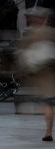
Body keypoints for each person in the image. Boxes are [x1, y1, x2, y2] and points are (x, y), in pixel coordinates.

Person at [17, 7, 55, 142]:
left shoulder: (30, 34)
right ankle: (48, 131)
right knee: (49, 103)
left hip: (42, 75)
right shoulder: (51, 32)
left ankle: (48, 132)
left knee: (47, 104)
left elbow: (22, 53)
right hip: (51, 73)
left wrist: (24, 70)